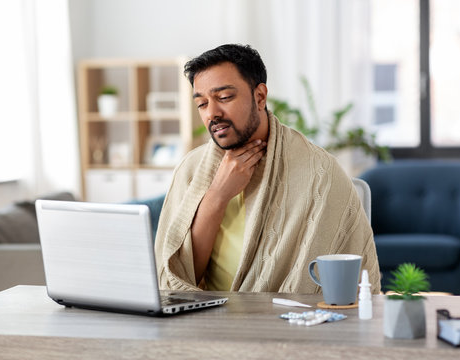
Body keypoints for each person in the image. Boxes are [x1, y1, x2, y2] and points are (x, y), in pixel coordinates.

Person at [154, 44, 381, 294]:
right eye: (202, 103)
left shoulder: (321, 173)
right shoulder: (190, 169)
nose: (212, 113)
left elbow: (348, 290)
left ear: (260, 97)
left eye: (224, 97)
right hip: (207, 321)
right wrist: (217, 195)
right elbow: (179, 280)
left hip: (290, 324)